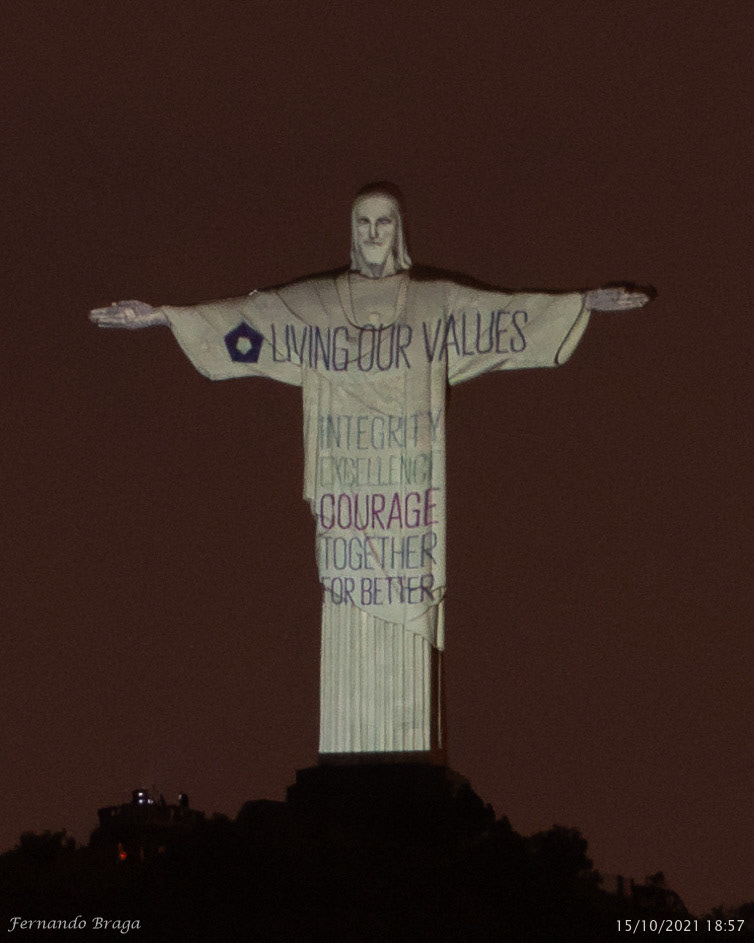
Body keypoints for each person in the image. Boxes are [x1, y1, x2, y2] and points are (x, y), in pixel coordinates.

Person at [91, 184, 651, 760]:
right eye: (363, 223)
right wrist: (161, 316)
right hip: (345, 502)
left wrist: (581, 303)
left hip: (409, 506)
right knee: (343, 612)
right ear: (351, 231)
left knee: (410, 653)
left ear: (400, 230)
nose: (373, 234)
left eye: (384, 223)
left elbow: (504, 317)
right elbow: (247, 320)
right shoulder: (319, 305)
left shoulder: (434, 304)